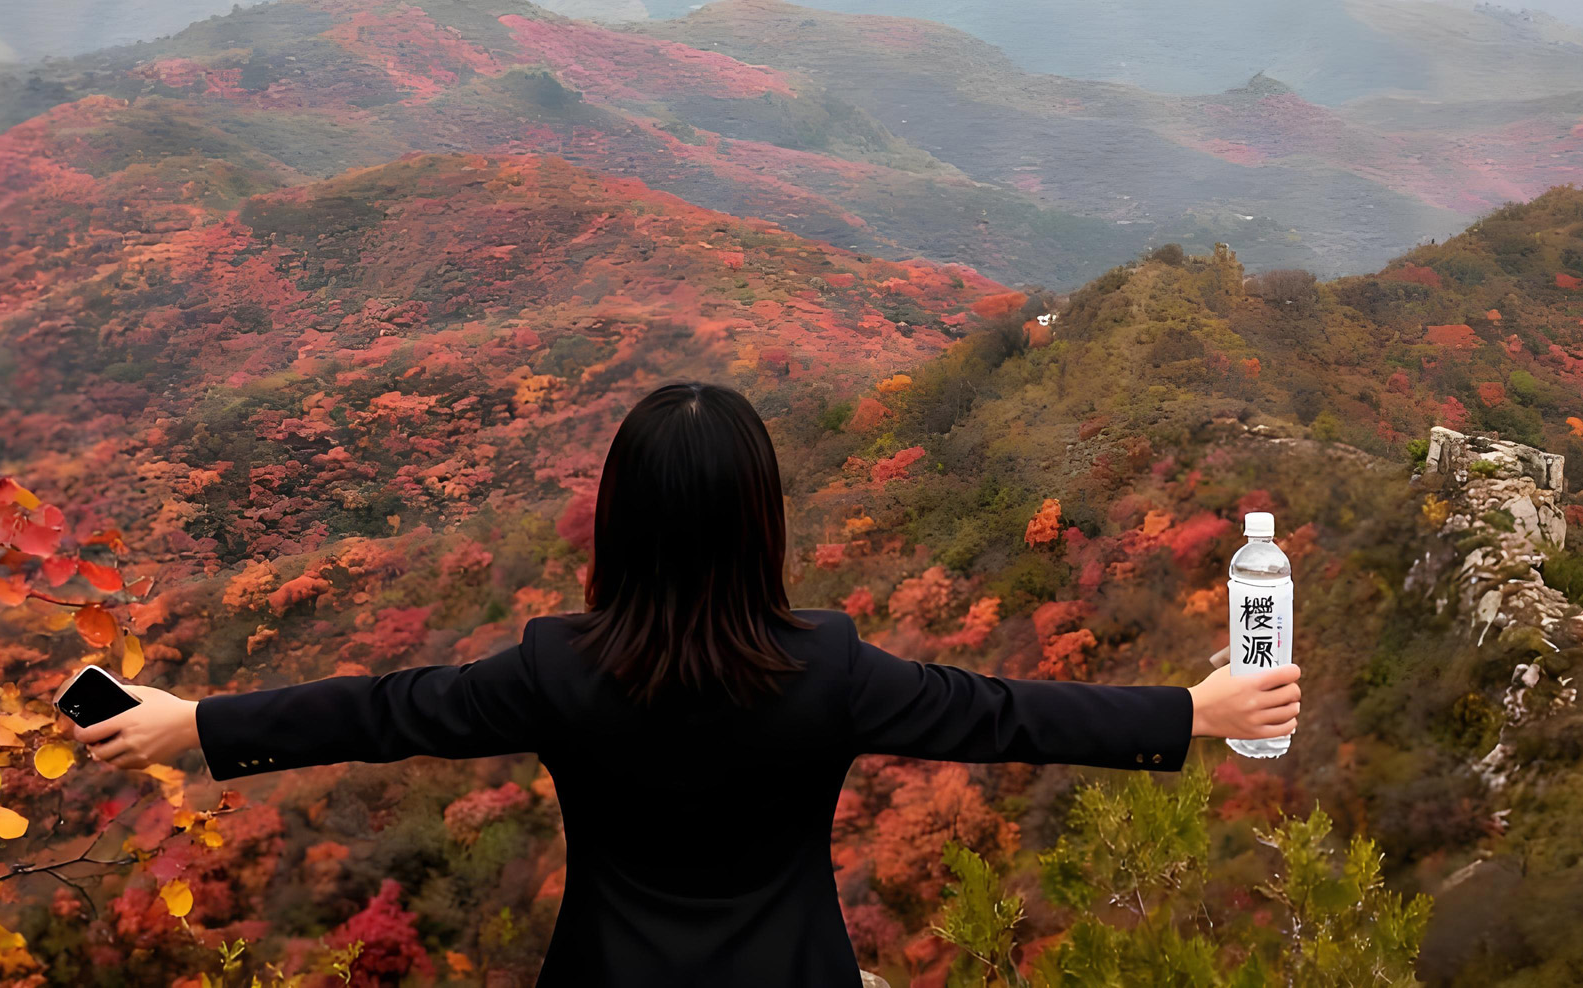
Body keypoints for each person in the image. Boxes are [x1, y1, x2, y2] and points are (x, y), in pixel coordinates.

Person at [75, 381, 1299, 986]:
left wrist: (197, 728)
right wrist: (1191, 715)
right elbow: (1002, 714)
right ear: (760, 520)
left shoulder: (559, 669)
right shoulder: (828, 668)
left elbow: (385, 709)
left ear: (620, 522)